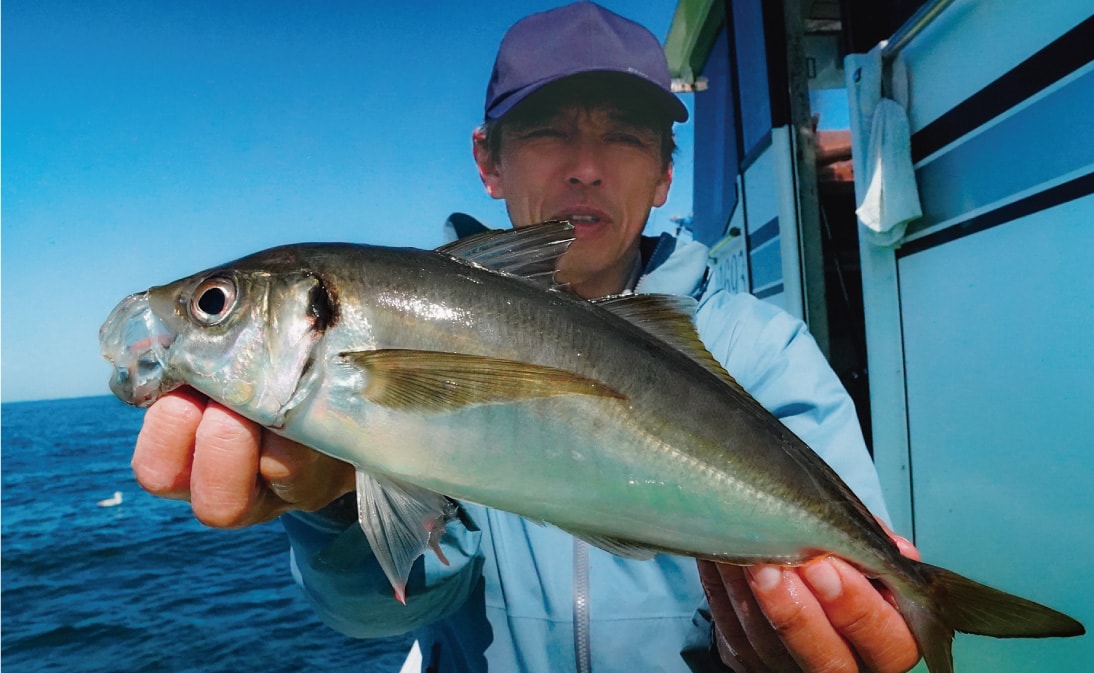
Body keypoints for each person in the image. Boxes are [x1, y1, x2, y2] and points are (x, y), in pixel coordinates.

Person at [131, 3, 921, 672]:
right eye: (548, 131)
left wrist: (810, 629)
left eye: (626, 135)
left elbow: (850, 607)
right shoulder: (401, 316)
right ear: (490, 161)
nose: (586, 167)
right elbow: (388, 607)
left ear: (664, 174)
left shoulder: (764, 352)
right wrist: (332, 499)